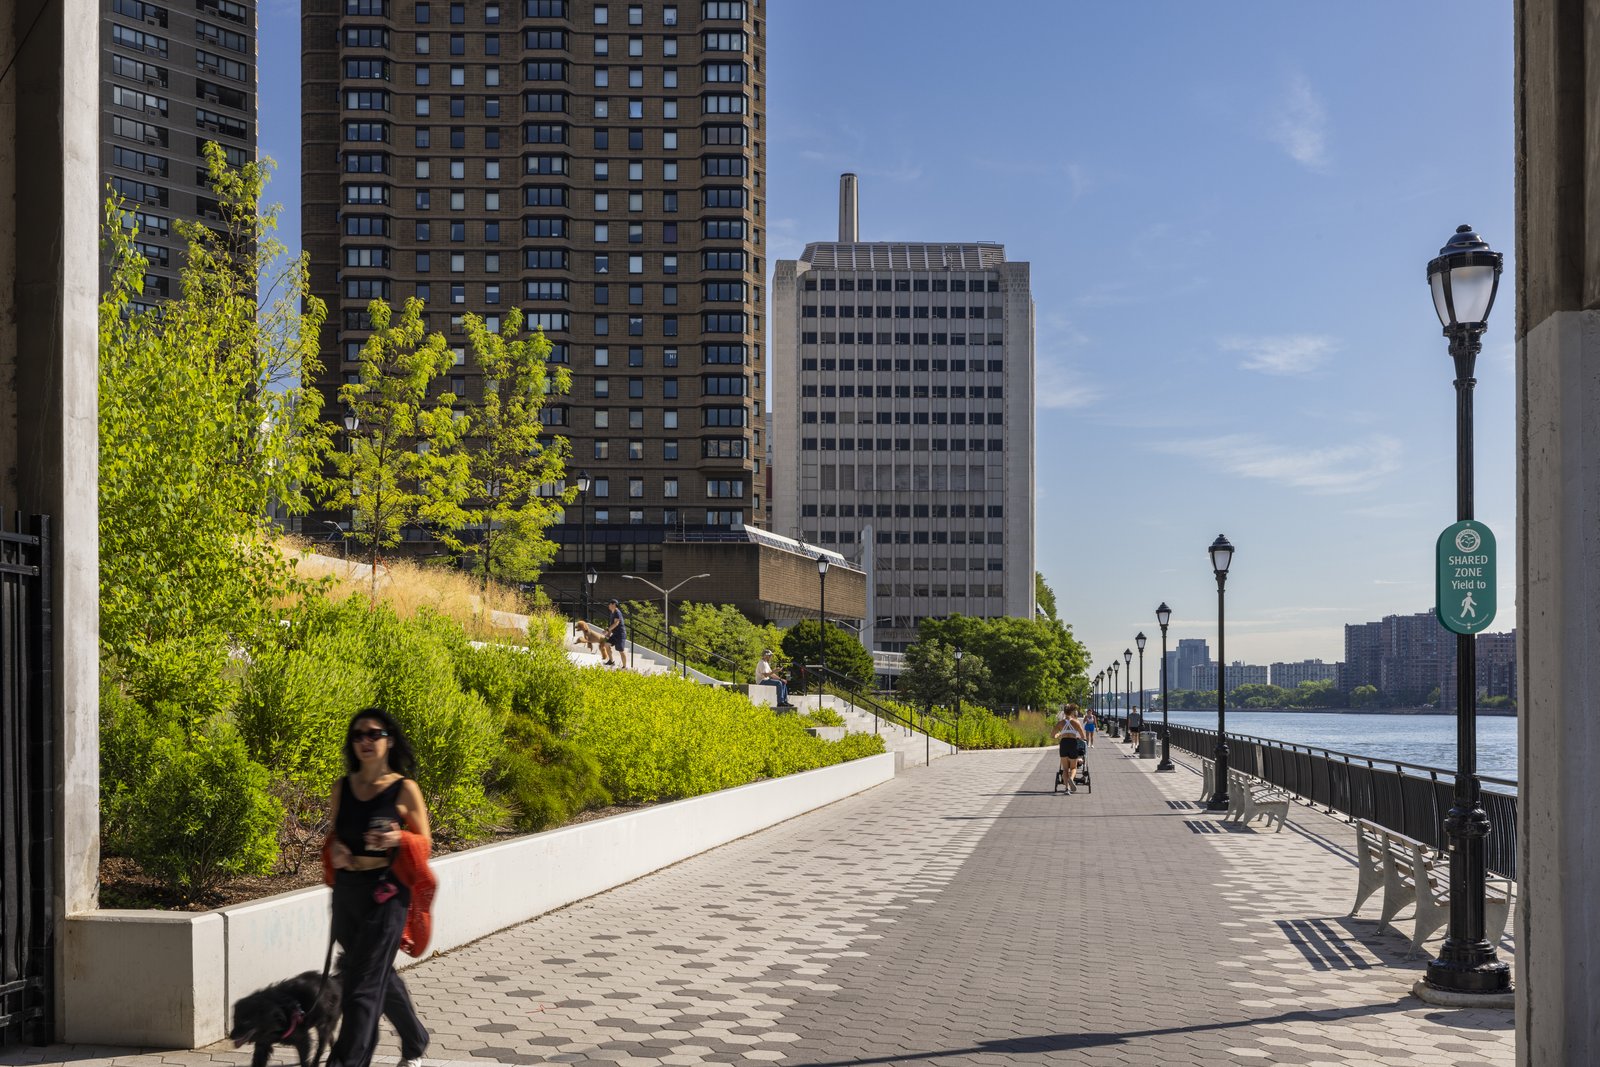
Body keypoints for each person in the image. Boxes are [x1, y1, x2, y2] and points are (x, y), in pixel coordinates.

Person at [322, 709, 436, 1067]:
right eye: (358, 735)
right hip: (348, 894)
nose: (366, 741)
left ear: (389, 739)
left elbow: (425, 843)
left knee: (362, 986)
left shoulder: (405, 789)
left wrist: (396, 837)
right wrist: (336, 849)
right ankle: (416, 1039)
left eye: (374, 734)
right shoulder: (344, 787)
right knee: (375, 972)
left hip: (387, 896)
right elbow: (335, 837)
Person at [1052, 705, 1088, 794]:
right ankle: (1071, 779)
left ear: (1064, 713)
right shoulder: (1076, 722)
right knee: (1073, 767)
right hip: (1072, 743)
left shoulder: (1060, 723)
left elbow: (1052, 735)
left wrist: (1059, 735)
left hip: (1064, 743)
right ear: (1072, 712)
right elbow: (1083, 736)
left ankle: (1067, 788)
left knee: (1065, 769)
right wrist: (1079, 738)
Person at [604, 598, 629, 669]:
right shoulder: (612, 613)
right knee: (606, 644)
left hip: (620, 635)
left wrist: (607, 630)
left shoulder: (617, 612)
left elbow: (616, 623)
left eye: (609, 604)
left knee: (621, 650)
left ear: (614, 604)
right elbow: (612, 625)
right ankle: (611, 661)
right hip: (615, 634)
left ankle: (624, 667)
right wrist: (608, 634)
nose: (608, 605)